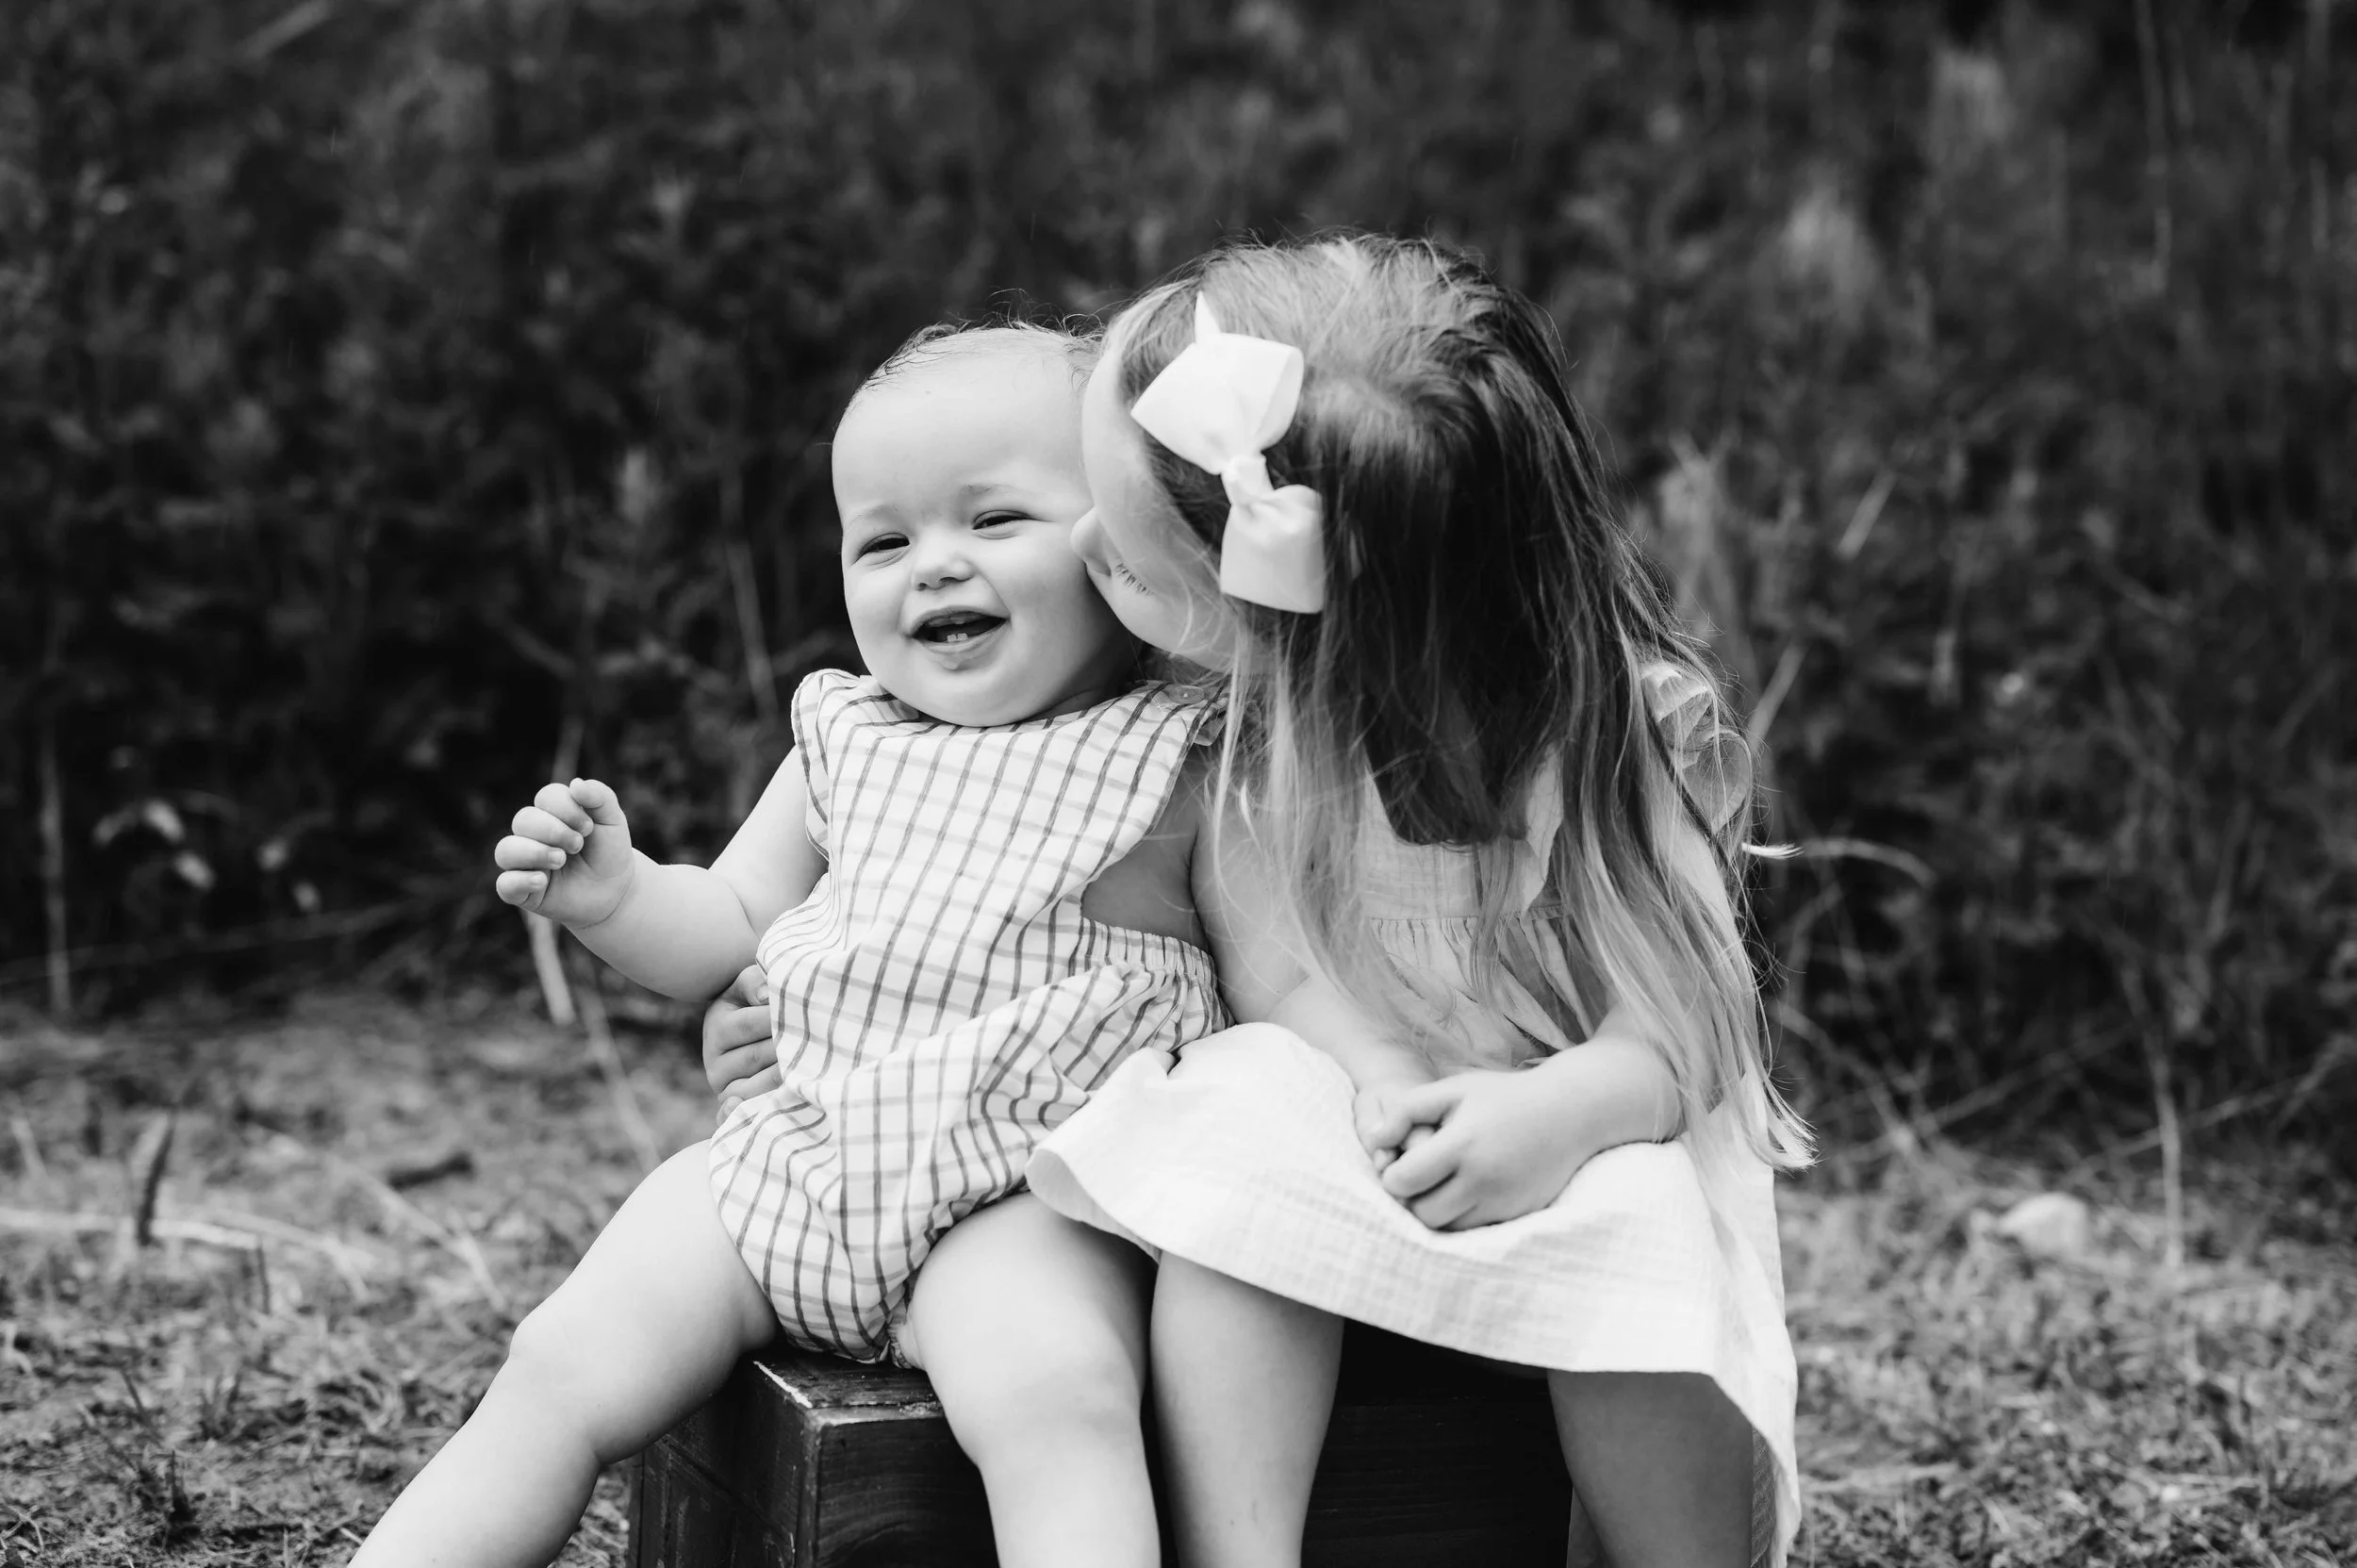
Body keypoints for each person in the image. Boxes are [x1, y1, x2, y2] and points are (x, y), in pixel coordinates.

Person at [350, 322, 1236, 1568]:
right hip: (788, 1165)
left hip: (1018, 1201)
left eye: (993, 522)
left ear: (1123, 543)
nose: (931, 567)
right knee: (561, 1360)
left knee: (1061, 1397)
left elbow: (1270, 984)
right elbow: (727, 925)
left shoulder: (1185, 749)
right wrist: (615, 897)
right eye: (885, 539)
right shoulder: (846, 734)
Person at [1035, 234, 1810, 1568]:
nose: (1078, 544)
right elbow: (1277, 973)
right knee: (1238, 1151)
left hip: (1576, 1142)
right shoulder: (1241, 748)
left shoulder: (1621, 735)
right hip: (1362, 1110)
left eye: (1126, 546)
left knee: (1646, 1227)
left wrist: (1559, 1109)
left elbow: (1691, 1020)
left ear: (1283, 614)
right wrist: (1381, 1076)